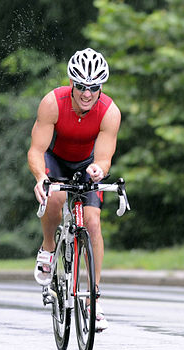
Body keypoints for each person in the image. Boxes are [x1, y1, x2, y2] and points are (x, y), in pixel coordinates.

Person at [27, 48, 121, 332]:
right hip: (55, 160)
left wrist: (99, 170)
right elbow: (36, 150)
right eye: (80, 86)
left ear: (101, 87)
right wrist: (41, 176)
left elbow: (104, 157)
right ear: (72, 84)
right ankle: (47, 248)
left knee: (92, 222)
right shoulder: (53, 103)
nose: (87, 93)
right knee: (54, 198)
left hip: (87, 164)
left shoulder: (109, 112)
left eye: (93, 88)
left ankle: (93, 298)